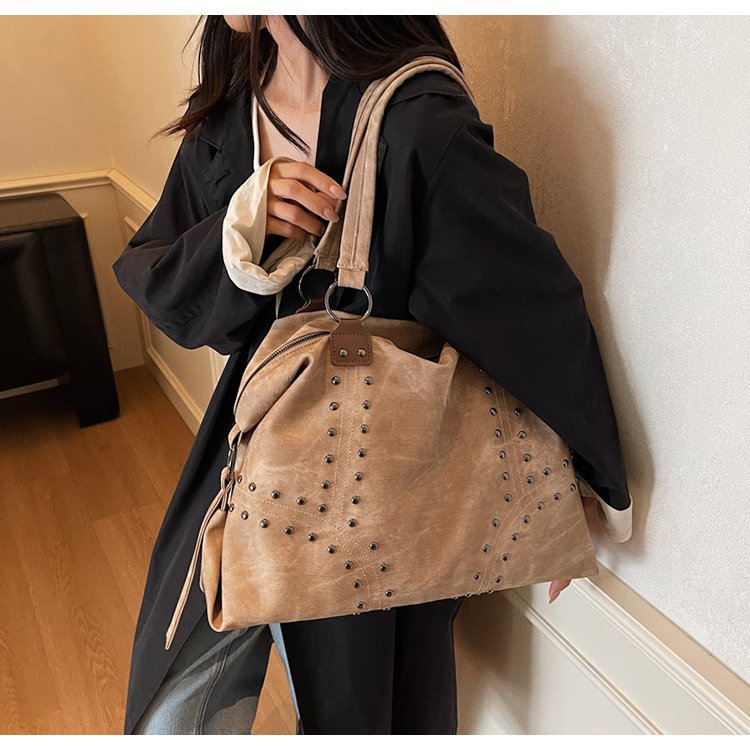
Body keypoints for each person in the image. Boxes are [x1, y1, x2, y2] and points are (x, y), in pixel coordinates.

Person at [112, 15, 632, 735]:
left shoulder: (416, 123)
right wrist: (241, 231)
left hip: (371, 475)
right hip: (248, 448)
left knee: (359, 713)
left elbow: (522, 306)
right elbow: (162, 283)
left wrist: (580, 481)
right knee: (171, 711)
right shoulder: (233, 110)